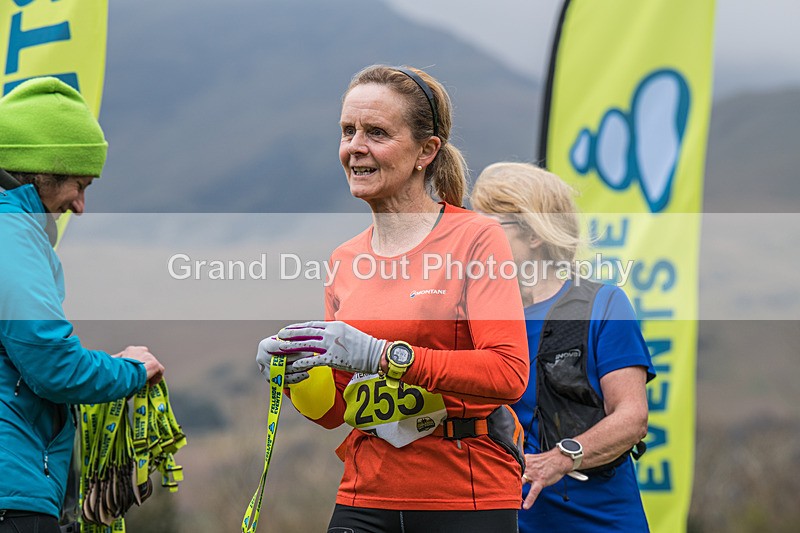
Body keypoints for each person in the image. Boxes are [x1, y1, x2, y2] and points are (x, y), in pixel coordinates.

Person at [256, 65, 529, 532]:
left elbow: (508, 373)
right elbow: (336, 411)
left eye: (376, 133)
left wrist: (385, 356)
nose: (355, 147)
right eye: (348, 131)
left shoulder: (477, 238)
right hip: (367, 491)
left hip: (466, 494)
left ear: (427, 151)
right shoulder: (345, 259)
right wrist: (293, 374)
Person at [0, 77, 165, 533]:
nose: (81, 204)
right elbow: (54, 366)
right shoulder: (11, 235)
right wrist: (131, 370)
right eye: (79, 183)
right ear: (40, 169)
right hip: (11, 495)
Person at [471, 161, 656, 532]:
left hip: (600, 519)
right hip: (504, 519)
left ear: (535, 234)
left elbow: (632, 417)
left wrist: (559, 459)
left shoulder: (603, 304)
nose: (477, 240)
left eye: (490, 228)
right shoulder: (474, 312)